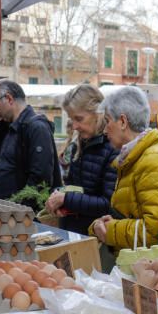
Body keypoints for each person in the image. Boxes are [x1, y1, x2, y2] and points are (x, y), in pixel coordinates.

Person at [89, 86, 158, 254]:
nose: (104, 130)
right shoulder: (136, 158)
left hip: (153, 269)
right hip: (141, 264)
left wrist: (110, 229)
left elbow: (156, 231)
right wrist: (101, 225)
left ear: (122, 122)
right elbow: (130, 215)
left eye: (107, 121)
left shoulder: (154, 161)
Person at [44, 84, 117, 235]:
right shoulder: (81, 144)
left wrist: (66, 199)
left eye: (79, 118)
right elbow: (74, 188)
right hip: (74, 232)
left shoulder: (112, 148)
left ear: (98, 113)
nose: (75, 126)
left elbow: (108, 204)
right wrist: (59, 201)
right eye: (72, 119)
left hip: (96, 237)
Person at [0, 79, 62, 201]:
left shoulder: (36, 128)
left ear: (9, 98)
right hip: (7, 211)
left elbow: (40, 178)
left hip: (20, 214)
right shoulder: (12, 126)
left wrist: (23, 210)